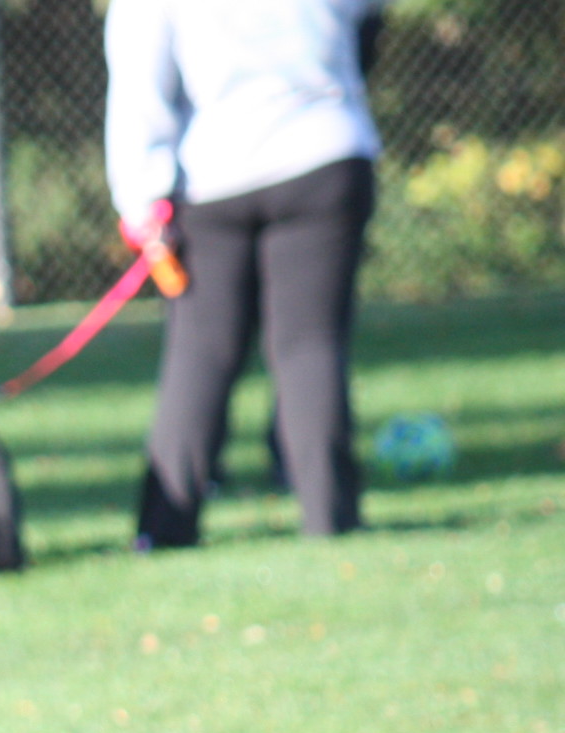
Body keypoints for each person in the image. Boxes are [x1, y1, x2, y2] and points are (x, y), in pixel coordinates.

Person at [108, 0, 385, 548]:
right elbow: (367, 21)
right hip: (324, 150)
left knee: (201, 352)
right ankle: (331, 517)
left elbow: (139, 85)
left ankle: (164, 531)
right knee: (310, 346)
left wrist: (141, 195)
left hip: (216, 170)